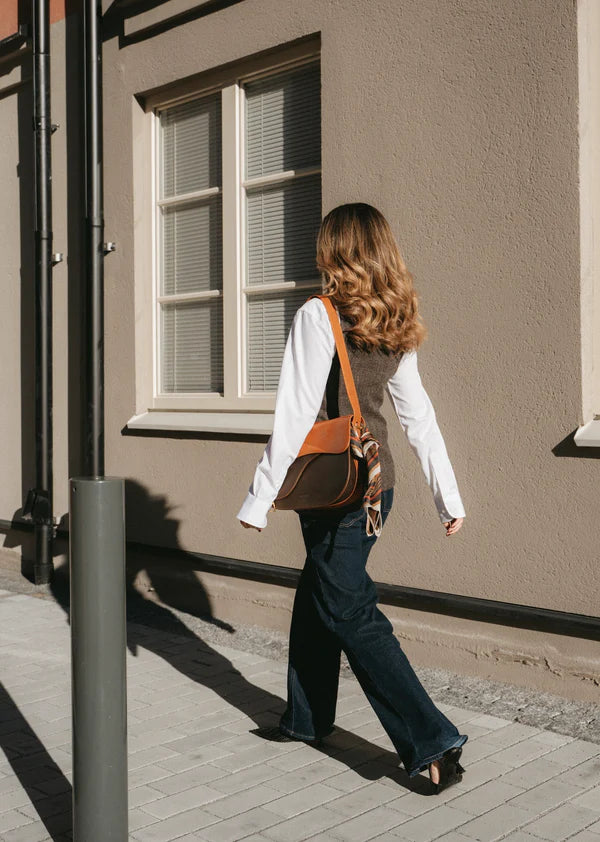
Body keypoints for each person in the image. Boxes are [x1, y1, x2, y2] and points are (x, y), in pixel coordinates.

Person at [237, 202, 468, 794]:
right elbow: (418, 417)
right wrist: (447, 496)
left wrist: (259, 498)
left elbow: (293, 416)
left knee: (349, 609)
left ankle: (432, 739)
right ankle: (306, 719)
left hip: (335, 486)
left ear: (335, 251)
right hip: (376, 488)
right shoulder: (395, 322)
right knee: (320, 588)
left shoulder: (319, 315)